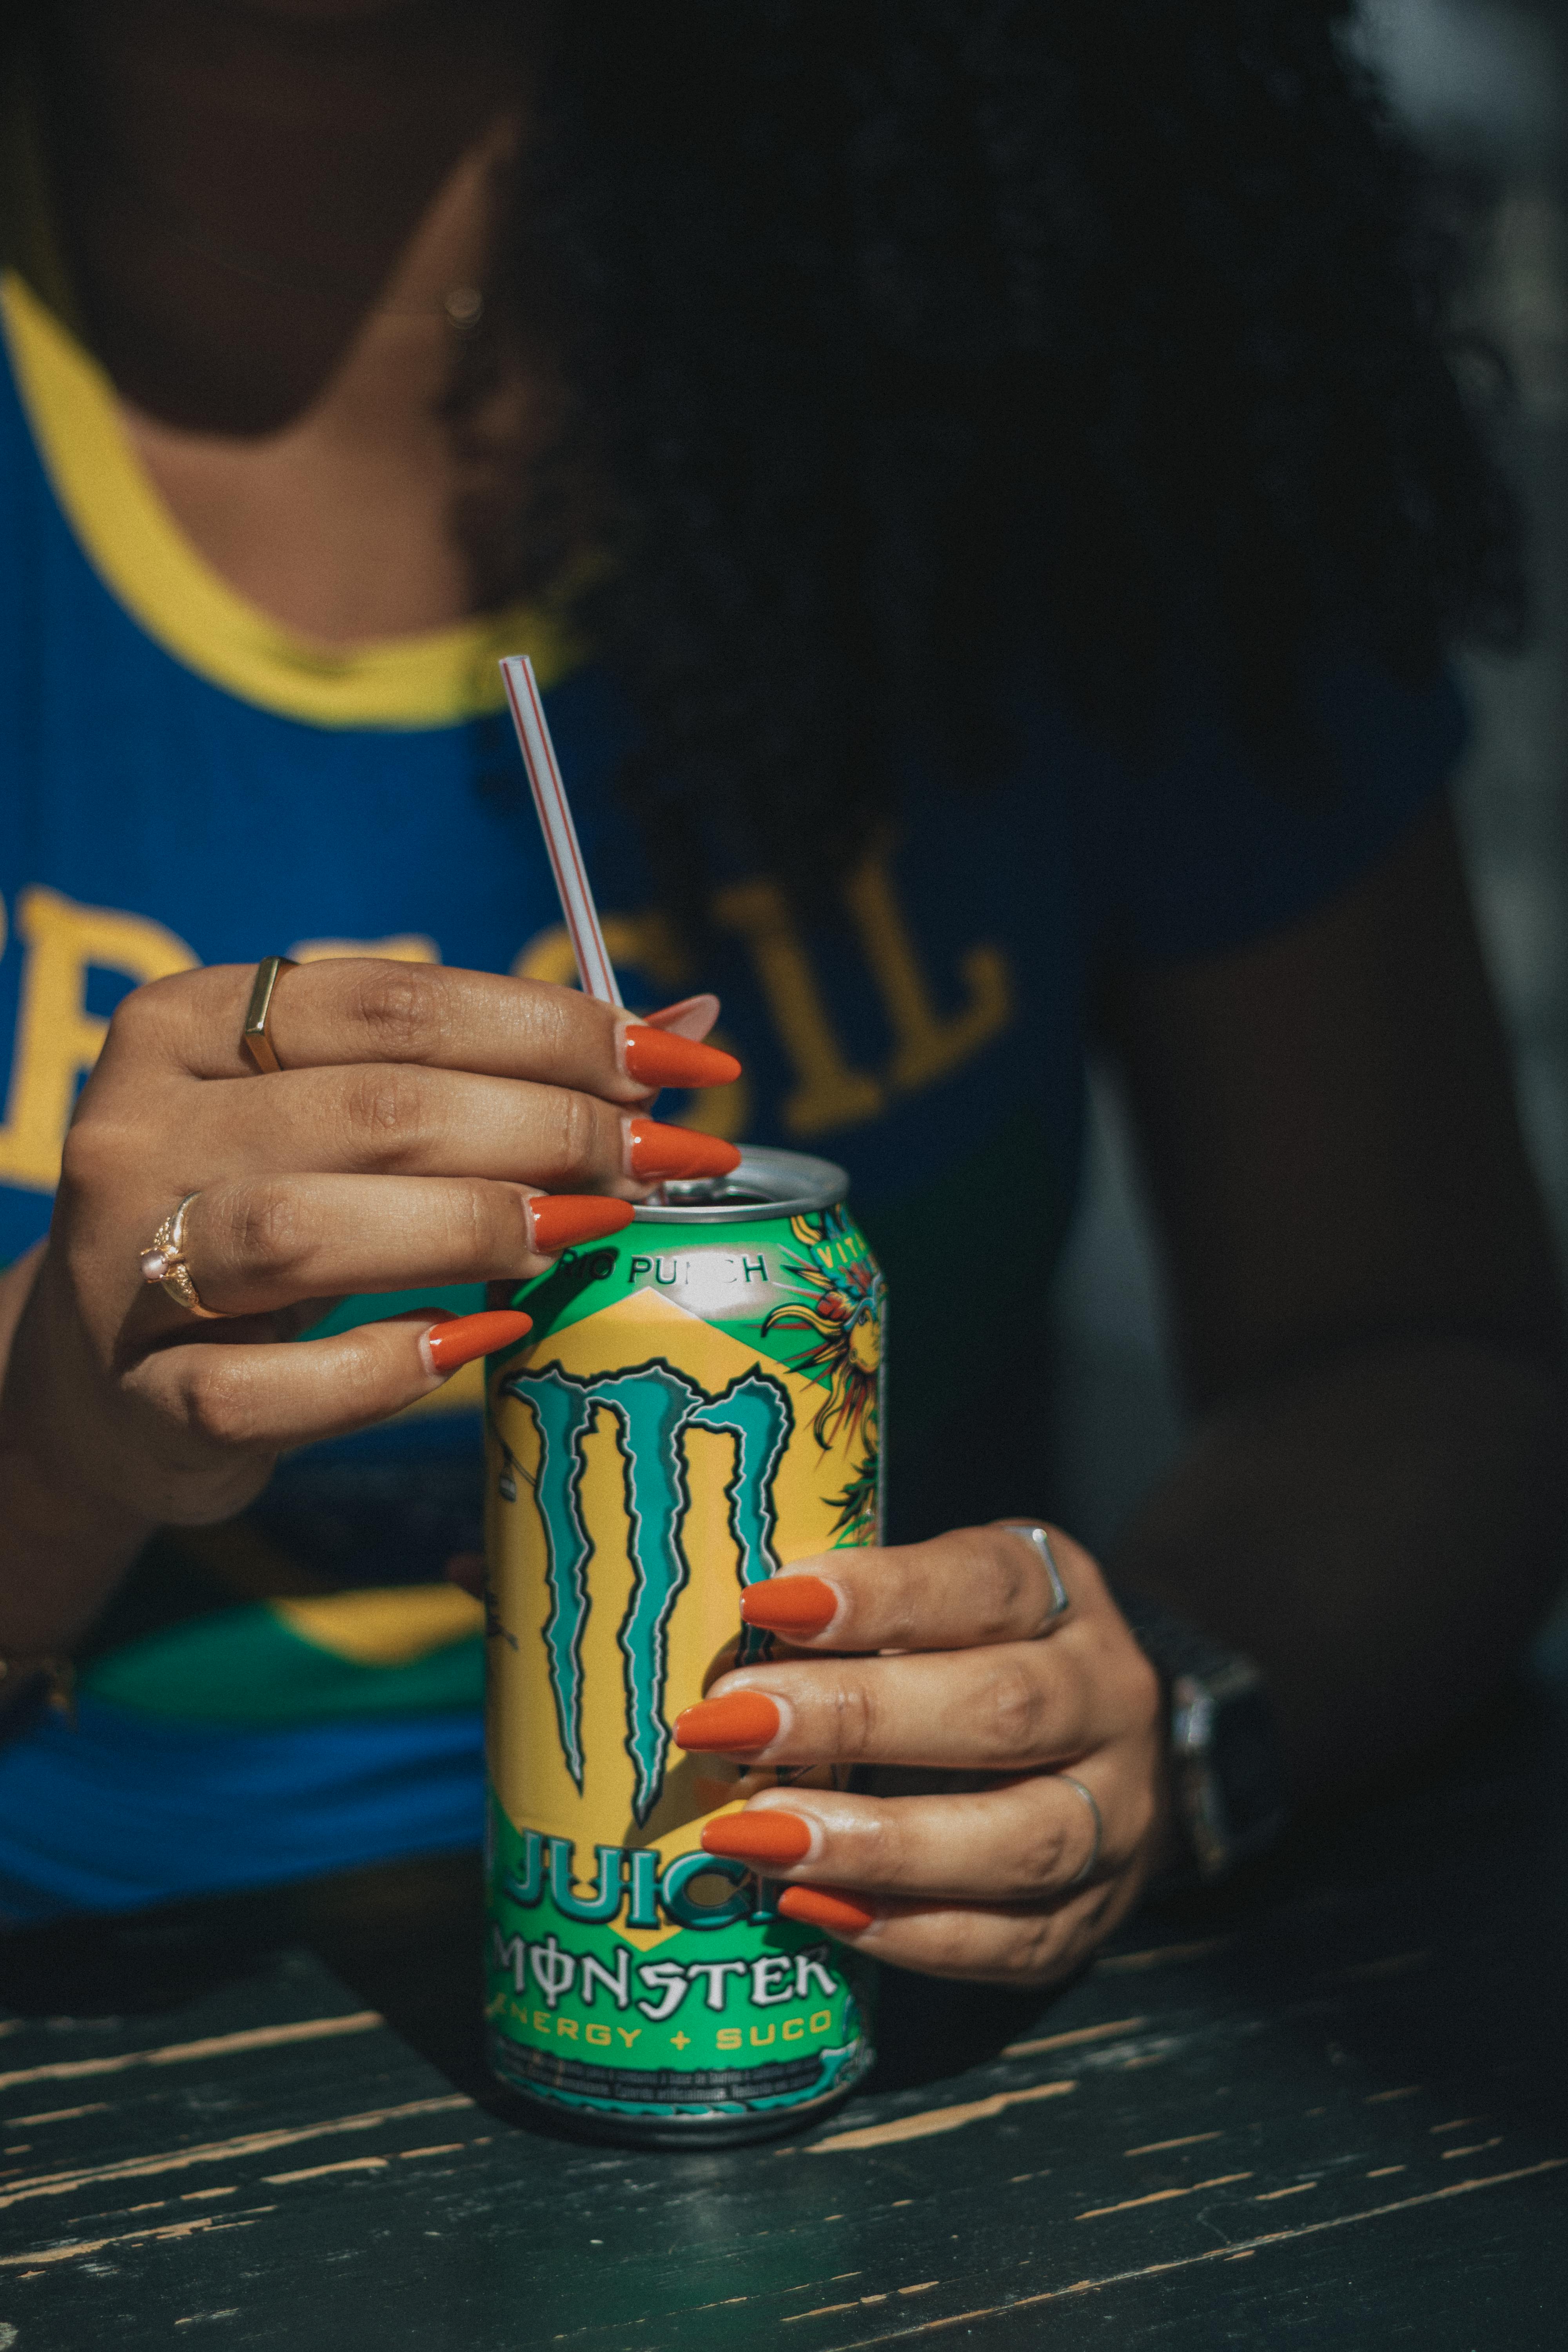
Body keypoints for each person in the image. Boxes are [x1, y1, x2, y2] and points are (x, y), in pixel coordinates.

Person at [0, 0, 1562, 1988]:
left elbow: (1433, 1358)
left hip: (899, 2055)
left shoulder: (1072, 285)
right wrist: (46, 1437)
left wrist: (1158, 1698)